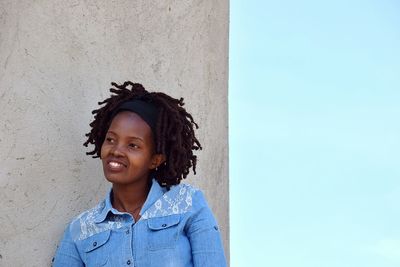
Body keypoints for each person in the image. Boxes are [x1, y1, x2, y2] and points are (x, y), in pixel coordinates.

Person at [53, 81, 227, 267]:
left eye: (133, 145)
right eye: (111, 139)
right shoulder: (80, 230)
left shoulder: (188, 204)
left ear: (155, 159)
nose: (116, 151)